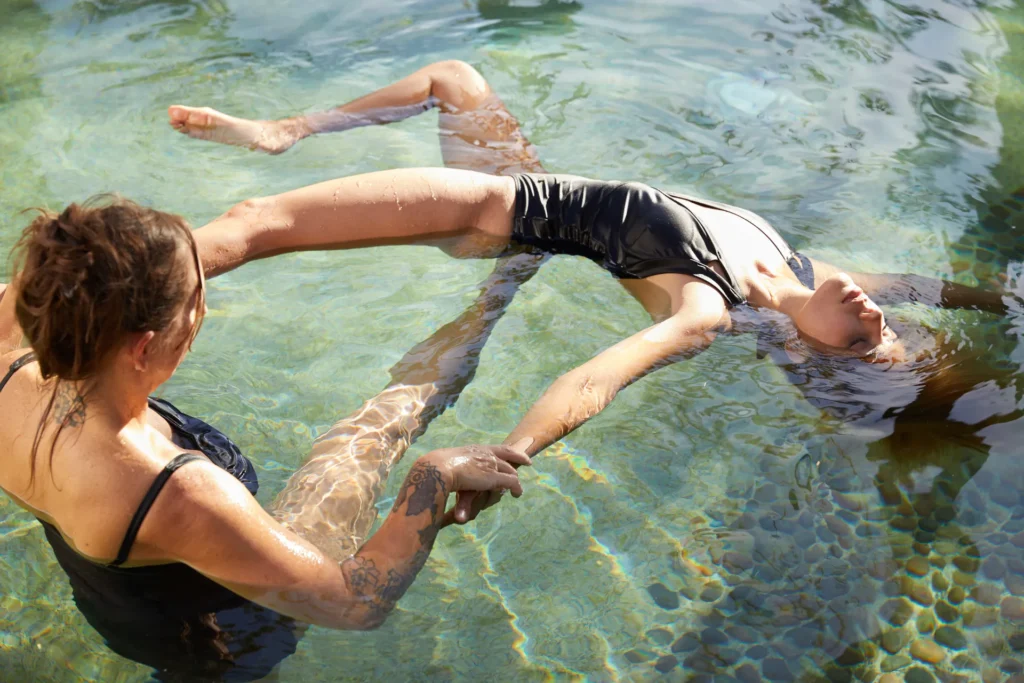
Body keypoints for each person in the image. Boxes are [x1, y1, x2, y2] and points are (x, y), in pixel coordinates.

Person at [167, 60, 1012, 466]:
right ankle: (289, 129)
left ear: (810, 357)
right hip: (530, 185)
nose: (874, 314)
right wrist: (1004, 298)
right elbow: (935, 288)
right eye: (888, 326)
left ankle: (48, 303)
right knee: (452, 79)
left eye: (867, 340)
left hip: (493, 214)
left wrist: (516, 449)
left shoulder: (707, 310)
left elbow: (598, 377)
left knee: (253, 222)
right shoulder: (809, 269)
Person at [0, 99, 549, 676]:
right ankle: (499, 297)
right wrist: (433, 477)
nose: (202, 311)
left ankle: (499, 293)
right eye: (195, 302)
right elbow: (353, 604)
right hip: (228, 639)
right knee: (372, 435)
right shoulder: (178, 494)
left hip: (125, 615)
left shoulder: (17, 358)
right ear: (142, 347)